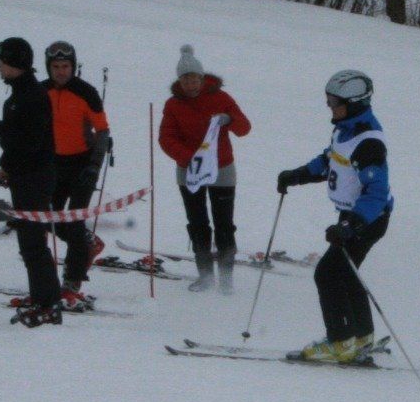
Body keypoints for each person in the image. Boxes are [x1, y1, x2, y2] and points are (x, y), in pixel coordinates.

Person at [277, 69, 393, 363]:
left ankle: (341, 341)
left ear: (353, 103)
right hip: (354, 218)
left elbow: (376, 192)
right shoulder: (345, 129)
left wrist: (351, 224)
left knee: (327, 273)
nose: (329, 106)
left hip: (367, 219)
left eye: (334, 102)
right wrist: (298, 175)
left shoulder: (368, 142)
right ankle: (362, 336)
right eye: (328, 100)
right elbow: (331, 160)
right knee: (344, 274)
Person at [0, 37, 62, 326]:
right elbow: (20, 145)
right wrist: (6, 167)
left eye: (2, 61)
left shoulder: (30, 96)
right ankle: (41, 297)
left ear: (15, 63)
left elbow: (28, 142)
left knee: (33, 243)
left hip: (35, 178)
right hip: (26, 175)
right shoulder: (19, 95)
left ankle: (48, 304)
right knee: (29, 242)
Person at [158, 44, 252, 293]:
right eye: (185, 80)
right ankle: (206, 276)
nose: (190, 84)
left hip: (222, 168)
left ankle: (226, 278)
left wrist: (229, 119)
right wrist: (190, 158)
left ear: (202, 78)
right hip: (189, 171)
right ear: (179, 81)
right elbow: (166, 138)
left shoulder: (221, 98)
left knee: (224, 224)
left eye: (194, 79)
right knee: (197, 223)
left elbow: (244, 128)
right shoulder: (173, 104)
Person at [41, 40, 111, 301]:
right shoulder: (41, 92)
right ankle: (87, 242)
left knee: (74, 220)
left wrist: (94, 166)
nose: (61, 72)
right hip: (53, 164)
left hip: (83, 165)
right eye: (56, 67)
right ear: (48, 68)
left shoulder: (86, 92)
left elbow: (102, 131)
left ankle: (72, 282)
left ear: (73, 67)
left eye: (65, 66)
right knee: (49, 217)